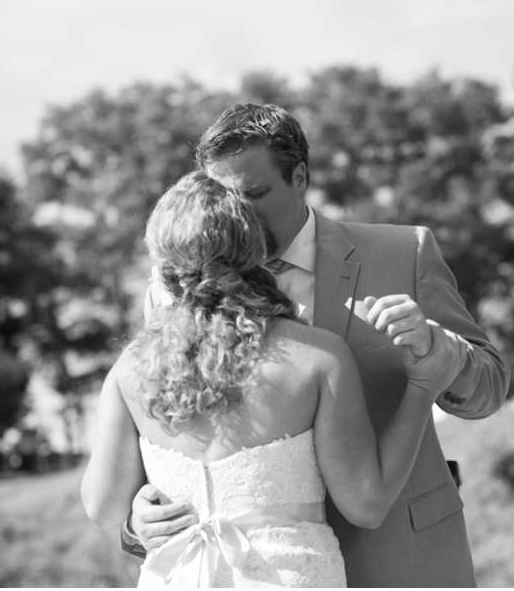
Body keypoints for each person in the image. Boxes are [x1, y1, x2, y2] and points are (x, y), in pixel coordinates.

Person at [123, 104, 511, 587]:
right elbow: (166, 430)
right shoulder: (169, 292)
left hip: (406, 557)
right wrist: (138, 516)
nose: (235, 214)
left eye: (254, 194)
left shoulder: (402, 252)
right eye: (220, 197)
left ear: (300, 176)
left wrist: (441, 349)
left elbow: (491, 387)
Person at [82, 171, 456, 587]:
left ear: (164, 266)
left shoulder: (130, 370)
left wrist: (138, 516)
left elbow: (102, 508)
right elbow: (366, 504)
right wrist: (423, 387)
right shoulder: (318, 356)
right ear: (252, 249)